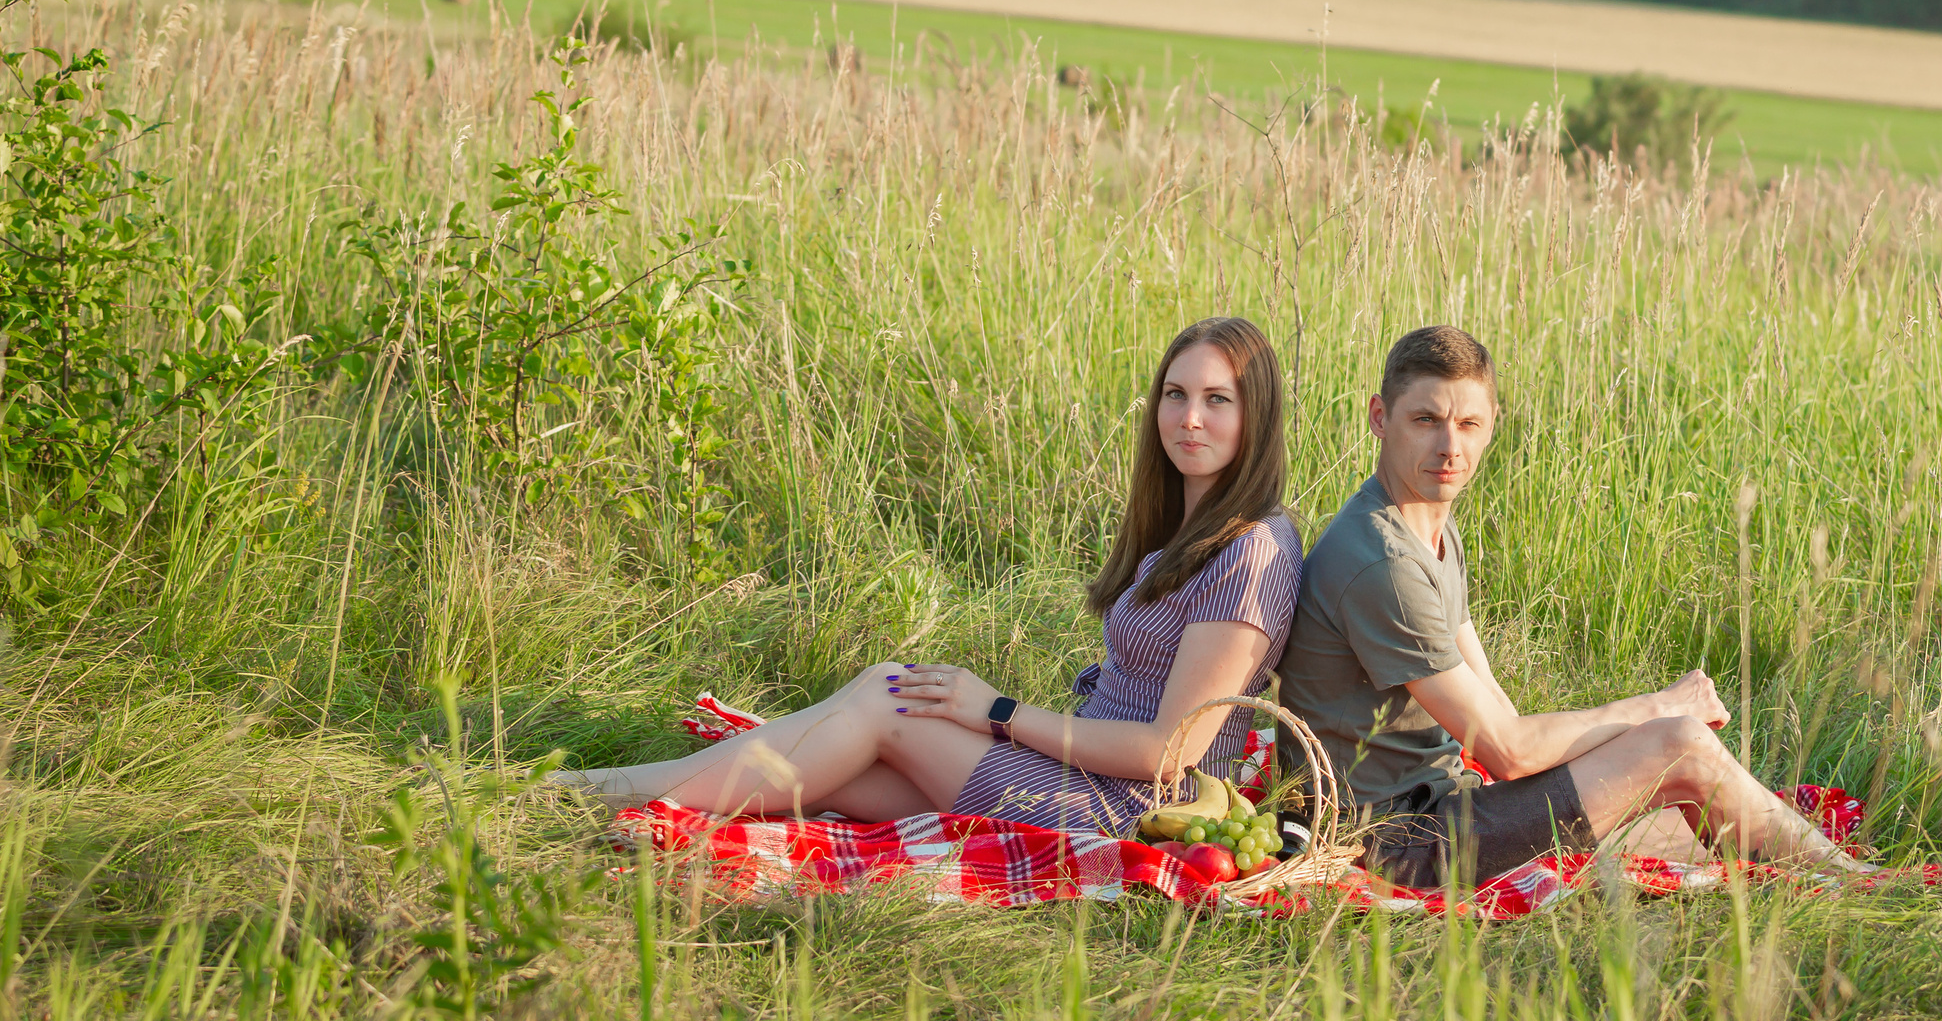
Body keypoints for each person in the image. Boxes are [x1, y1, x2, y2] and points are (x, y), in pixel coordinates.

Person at [554, 316, 1300, 833]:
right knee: (832, 763)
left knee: (883, 706)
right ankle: (602, 796)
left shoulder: (1252, 550)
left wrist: (998, 711)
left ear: (1253, 414)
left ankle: (591, 790)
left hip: (1130, 807)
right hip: (1083, 773)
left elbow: (1166, 751)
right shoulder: (1185, 529)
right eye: (1176, 394)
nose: (1189, 418)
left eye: (1216, 400)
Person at [1276, 325, 1864, 890]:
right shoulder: (1382, 562)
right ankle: (1864, 888)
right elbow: (1506, 751)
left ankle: (1827, 876)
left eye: (1467, 424)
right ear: (1381, 418)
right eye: (1425, 420)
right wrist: (1657, 709)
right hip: (1393, 843)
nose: (1449, 447)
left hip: (1443, 800)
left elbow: (1494, 705)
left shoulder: (1431, 526)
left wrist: (1613, 771)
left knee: (1677, 809)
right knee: (1680, 745)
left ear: (1490, 427)